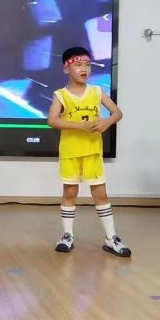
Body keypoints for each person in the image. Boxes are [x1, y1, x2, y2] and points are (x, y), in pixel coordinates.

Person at [48, 47, 130, 257]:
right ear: (66, 69)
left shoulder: (97, 91)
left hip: (93, 152)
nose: (84, 69)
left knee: (100, 193)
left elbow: (117, 113)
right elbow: (53, 120)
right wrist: (80, 126)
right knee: (70, 192)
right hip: (70, 152)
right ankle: (67, 235)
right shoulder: (61, 95)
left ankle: (111, 237)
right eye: (78, 65)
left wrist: (106, 122)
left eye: (87, 65)